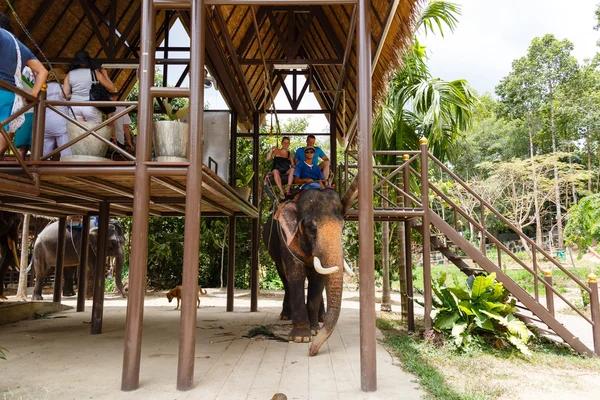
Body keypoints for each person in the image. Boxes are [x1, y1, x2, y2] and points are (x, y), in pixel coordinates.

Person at [0, 13, 48, 159]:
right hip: (10, 95)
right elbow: (42, 71)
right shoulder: (20, 46)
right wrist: (33, 95)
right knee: (3, 130)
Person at [63, 50, 116, 123]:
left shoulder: (70, 74)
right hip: (91, 106)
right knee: (94, 132)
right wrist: (105, 74)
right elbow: (112, 88)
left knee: (79, 132)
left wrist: (76, 95)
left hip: (75, 106)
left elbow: (64, 94)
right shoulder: (95, 73)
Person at [43, 68, 71, 158]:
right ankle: (66, 168)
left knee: (46, 151)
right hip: (61, 121)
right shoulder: (62, 88)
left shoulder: (43, 89)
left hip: (45, 122)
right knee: (65, 150)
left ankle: (43, 168)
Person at [266, 136, 294, 200]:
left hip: (286, 170)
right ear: (281, 143)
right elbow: (268, 159)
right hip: (276, 169)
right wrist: (271, 151)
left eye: (287, 143)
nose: (286, 145)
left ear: (289, 144)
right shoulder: (276, 151)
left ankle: (288, 189)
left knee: (292, 169)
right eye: (284, 143)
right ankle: (281, 192)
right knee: (275, 171)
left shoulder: (290, 154)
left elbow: (292, 165)